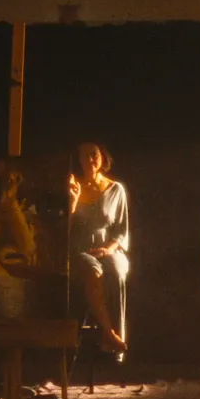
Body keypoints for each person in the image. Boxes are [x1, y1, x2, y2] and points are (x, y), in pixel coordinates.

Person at [67, 142, 130, 354]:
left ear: (102, 158)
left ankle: (114, 337)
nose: (89, 160)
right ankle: (109, 334)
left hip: (109, 248)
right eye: (84, 156)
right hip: (81, 249)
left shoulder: (115, 190)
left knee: (117, 271)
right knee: (94, 273)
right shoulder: (74, 187)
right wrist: (72, 202)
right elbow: (65, 230)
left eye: (93, 155)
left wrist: (108, 249)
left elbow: (121, 231)